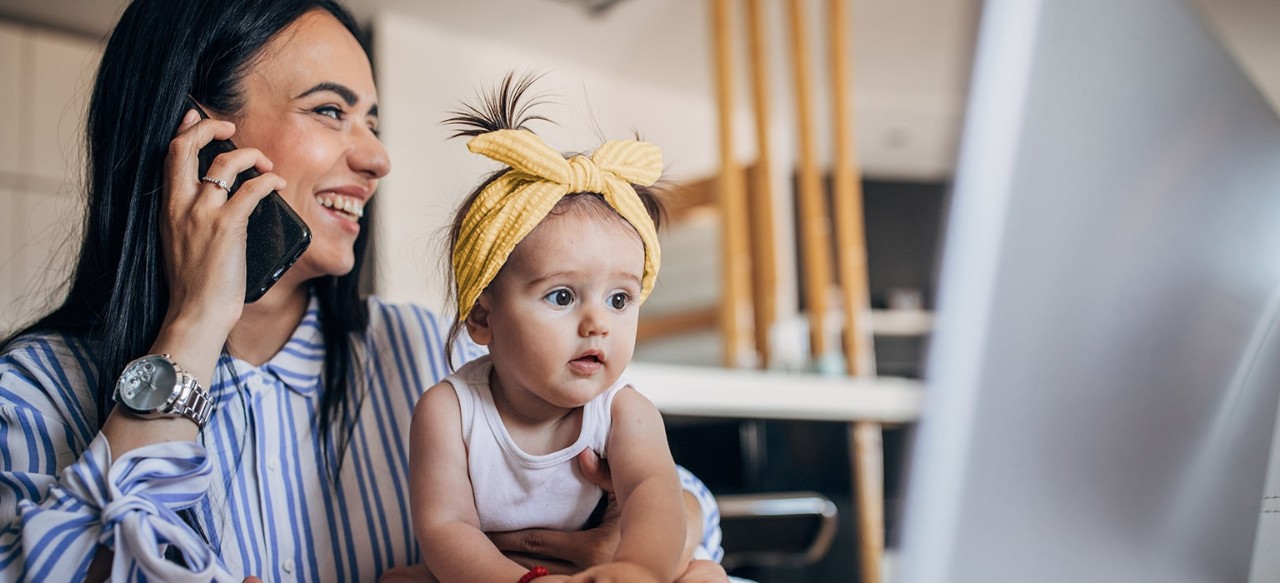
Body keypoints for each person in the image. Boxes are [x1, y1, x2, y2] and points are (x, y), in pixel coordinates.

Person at [0, 1, 726, 581]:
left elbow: (685, 504)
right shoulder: (32, 390)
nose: (377, 157)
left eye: (372, 121)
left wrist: (622, 550)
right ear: (198, 137)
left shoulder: (419, 346)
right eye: (329, 110)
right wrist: (192, 327)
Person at [409, 78, 726, 583]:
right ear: (484, 316)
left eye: (619, 299)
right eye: (561, 296)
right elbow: (447, 528)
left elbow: (653, 495)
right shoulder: (449, 410)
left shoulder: (624, 409)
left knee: (705, 576)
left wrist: (636, 568)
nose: (599, 323)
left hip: (615, 568)